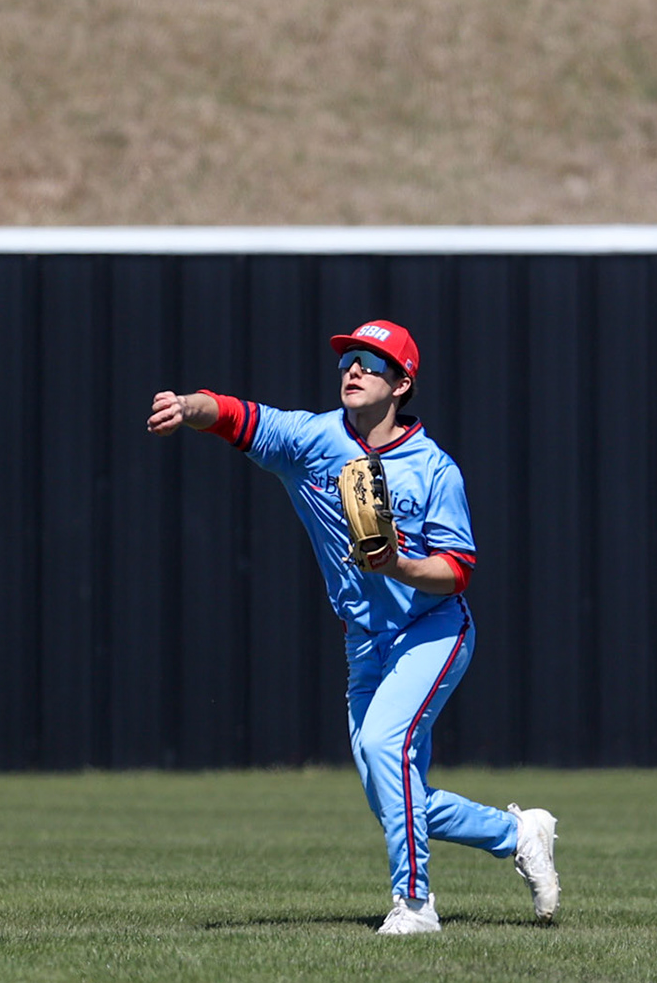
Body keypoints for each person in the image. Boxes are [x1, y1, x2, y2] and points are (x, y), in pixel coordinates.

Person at [147, 319, 559, 935]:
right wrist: (188, 407)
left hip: (432, 629)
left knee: (384, 748)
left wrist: (397, 564)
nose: (354, 370)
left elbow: (457, 571)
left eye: (371, 363)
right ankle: (517, 833)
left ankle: (414, 906)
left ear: (402, 383)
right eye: (348, 361)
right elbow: (234, 415)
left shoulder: (434, 468)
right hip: (365, 643)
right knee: (391, 794)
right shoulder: (310, 439)